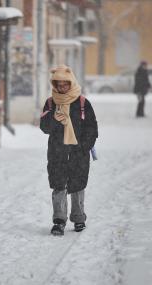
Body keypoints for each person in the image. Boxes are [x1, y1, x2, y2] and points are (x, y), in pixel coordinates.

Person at [40, 65, 98, 236]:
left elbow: (92, 128)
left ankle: (79, 218)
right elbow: (44, 127)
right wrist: (53, 119)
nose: (62, 88)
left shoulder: (82, 103)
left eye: (65, 84)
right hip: (57, 151)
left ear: (71, 83)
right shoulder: (50, 103)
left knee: (78, 184)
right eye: (59, 85)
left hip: (78, 152)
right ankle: (59, 220)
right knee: (59, 184)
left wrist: (83, 147)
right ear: (55, 85)